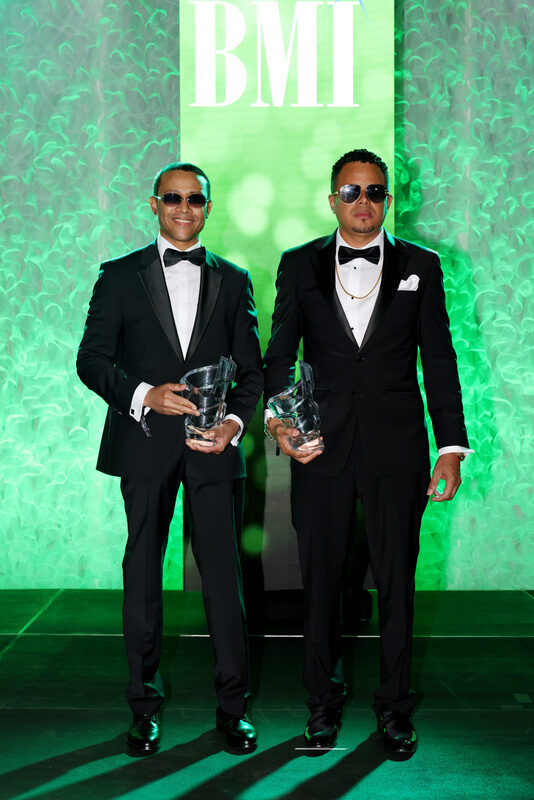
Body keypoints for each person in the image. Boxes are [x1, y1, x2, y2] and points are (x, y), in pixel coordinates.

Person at [263, 148, 471, 758]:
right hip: (320, 449)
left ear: (388, 199)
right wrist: (279, 422)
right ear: (332, 200)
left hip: (398, 451)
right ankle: (320, 709)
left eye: (374, 192)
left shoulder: (422, 267)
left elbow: (439, 360)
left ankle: (394, 709)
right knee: (321, 582)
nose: (363, 202)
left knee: (398, 584)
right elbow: (279, 355)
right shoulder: (298, 264)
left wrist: (451, 448)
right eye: (350, 192)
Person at [77, 162, 263, 756]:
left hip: (214, 448)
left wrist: (232, 425)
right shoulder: (117, 277)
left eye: (196, 200)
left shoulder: (234, 281)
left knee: (224, 580)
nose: (185, 209)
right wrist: (144, 396)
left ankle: (233, 710)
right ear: (153, 205)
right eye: (173, 199)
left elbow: (252, 372)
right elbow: (91, 359)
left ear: (209, 206)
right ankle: (142, 707)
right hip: (145, 443)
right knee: (142, 576)